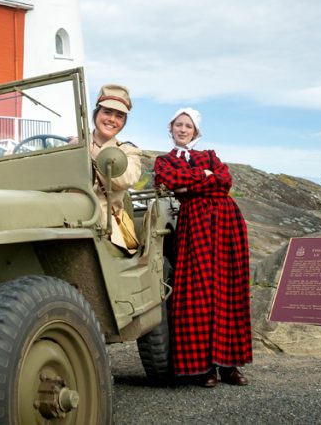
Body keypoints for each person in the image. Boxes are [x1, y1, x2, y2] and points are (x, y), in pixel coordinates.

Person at [153, 108, 252, 388]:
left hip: (226, 224)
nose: (183, 130)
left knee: (227, 289)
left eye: (188, 126)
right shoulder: (164, 161)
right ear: (171, 128)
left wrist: (195, 181)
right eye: (178, 125)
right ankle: (204, 367)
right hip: (193, 225)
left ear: (195, 130)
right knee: (199, 292)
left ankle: (228, 366)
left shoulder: (211, 155)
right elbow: (170, 182)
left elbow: (225, 181)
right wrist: (204, 177)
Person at [89, 84, 143, 252]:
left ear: (123, 122)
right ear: (96, 113)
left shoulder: (128, 151)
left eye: (119, 116)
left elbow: (127, 179)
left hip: (105, 227)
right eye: (107, 112)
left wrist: (95, 153)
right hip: (66, 217)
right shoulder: (75, 144)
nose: (112, 119)